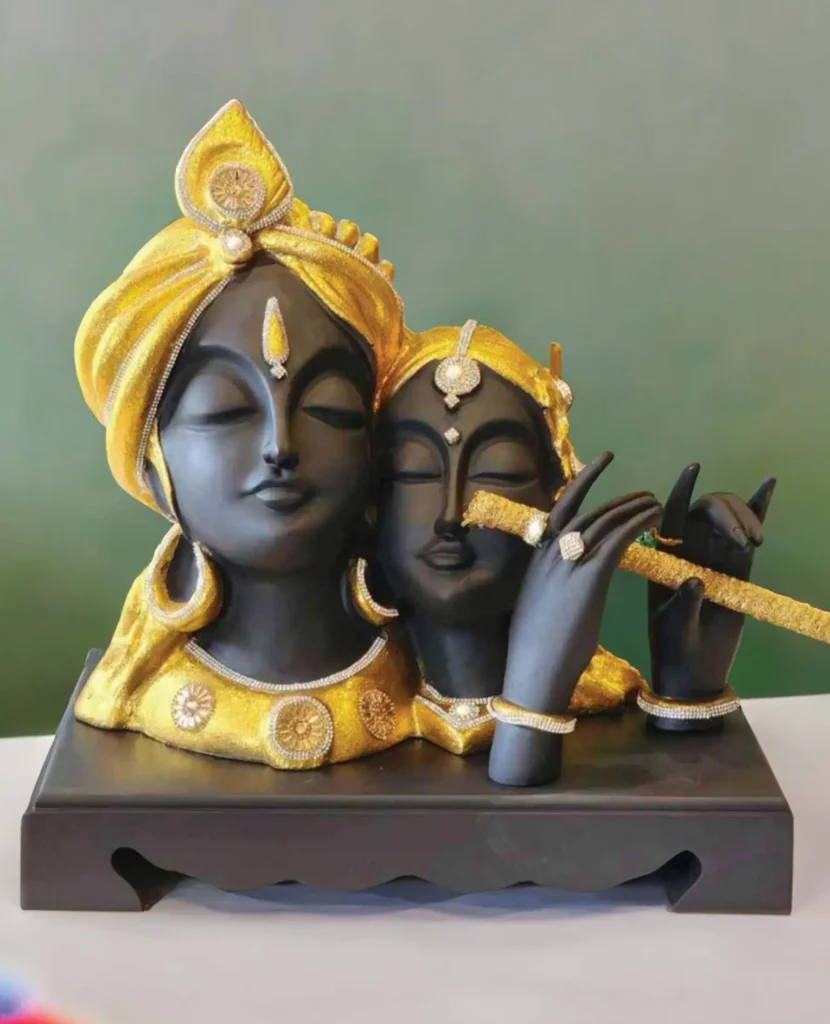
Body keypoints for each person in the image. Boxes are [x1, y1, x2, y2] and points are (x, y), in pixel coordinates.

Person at [73, 99, 430, 771]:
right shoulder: (137, 696)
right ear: (150, 458)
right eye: (223, 409)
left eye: (328, 408)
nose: (280, 447)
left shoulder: (438, 686)